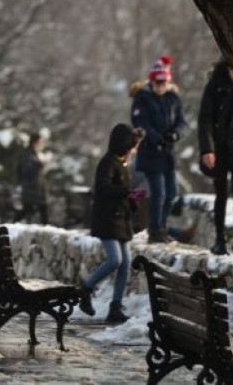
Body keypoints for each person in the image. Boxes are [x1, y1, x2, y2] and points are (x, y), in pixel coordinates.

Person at [79, 124, 146, 324]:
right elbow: (103, 188)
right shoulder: (108, 163)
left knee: (125, 265)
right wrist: (126, 193)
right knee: (115, 260)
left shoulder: (122, 165)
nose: (132, 152)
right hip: (108, 220)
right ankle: (86, 288)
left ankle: (115, 307)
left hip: (122, 221)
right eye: (131, 148)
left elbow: (123, 191)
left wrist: (133, 199)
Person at [130, 55, 188, 244]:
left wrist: (175, 135)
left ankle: (162, 226)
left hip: (168, 153)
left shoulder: (173, 98)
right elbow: (141, 123)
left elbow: (182, 122)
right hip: (151, 153)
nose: (160, 86)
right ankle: (154, 230)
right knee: (158, 193)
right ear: (152, 81)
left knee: (172, 193)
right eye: (157, 82)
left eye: (163, 83)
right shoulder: (142, 98)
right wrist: (157, 139)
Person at [198, 60, 233, 255]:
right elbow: (205, 120)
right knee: (220, 193)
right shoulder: (215, 86)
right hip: (219, 148)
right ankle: (219, 239)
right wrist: (207, 149)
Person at [17, 132, 48, 225]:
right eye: (41, 142)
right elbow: (27, 170)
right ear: (35, 142)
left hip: (36, 189)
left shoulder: (34, 154)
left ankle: (45, 228)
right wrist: (42, 165)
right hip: (31, 189)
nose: (42, 144)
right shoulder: (28, 154)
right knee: (35, 210)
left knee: (39, 210)